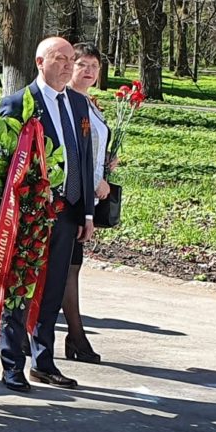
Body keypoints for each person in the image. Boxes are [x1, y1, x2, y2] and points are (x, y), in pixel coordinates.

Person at [0, 36, 95, 392]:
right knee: (21, 289)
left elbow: (82, 160)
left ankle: (44, 360)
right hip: (30, 217)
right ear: (40, 62)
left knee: (53, 290)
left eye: (72, 59)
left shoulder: (78, 105)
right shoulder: (19, 103)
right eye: (60, 58)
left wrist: (86, 213)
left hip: (67, 214)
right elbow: (5, 164)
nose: (69, 65)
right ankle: (12, 365)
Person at [64, 42, 118, 364]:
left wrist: (105, 163)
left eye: (94, 67)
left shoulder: (90, 104)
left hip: (90, 198)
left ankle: (74, 337)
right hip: (73, 197)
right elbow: (71, 155)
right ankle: (76, 337)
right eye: (82, 65)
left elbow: (92, 148)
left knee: (71, 268)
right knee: (65, 269)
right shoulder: (67, 103)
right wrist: (93, 179)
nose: (89, 72)